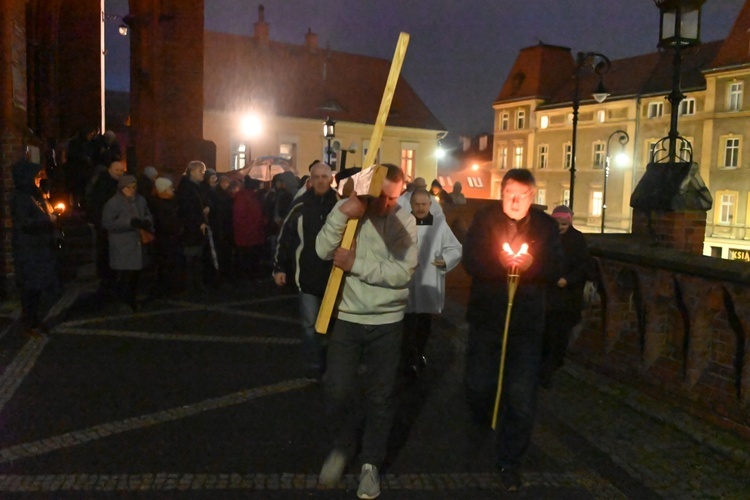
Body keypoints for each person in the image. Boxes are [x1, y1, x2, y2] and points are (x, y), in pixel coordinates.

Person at [316, 164, 418, 500]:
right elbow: (322, 249)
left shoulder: (405, 220)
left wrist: (356, 265)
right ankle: (343, 447)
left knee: (381, 396)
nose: (388, 204)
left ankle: (370, 465)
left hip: (387, 322)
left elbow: (402, 271)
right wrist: (341, 213)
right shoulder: (353, 210)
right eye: (384, 196)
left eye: (394, 196)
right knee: (337, 388)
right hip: (348, 316)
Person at [462, 168, 561, 491]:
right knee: (479, 384)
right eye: (509, 194)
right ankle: (481, 422)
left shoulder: (546, 226)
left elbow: (556, 265)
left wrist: (535, 267)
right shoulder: (484, 219)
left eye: (522, 195)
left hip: (526, 325)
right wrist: (497, 265)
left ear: (532, 196)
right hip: (487, 319)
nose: (515, 201)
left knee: (521, 395)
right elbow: (471, 260)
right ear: (501, 192)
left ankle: (510, 460)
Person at [273, 161, 338, 381]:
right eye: (316, 177)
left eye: (324, 176)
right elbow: (285, 237)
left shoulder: (340, 205)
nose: (321, 181)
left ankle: (335, 364)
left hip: (335, 276)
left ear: (331, 179)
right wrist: (279, 267)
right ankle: (314, 364)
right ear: (310, 180)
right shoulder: (300, 205)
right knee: (310, 324)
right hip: (307, 275)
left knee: (335, 326)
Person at [403, 188, 462, 376]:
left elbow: (455, 247)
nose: (420, 208)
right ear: (410, 205)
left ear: (430, 204)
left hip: (428, 280)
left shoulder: (439, 225)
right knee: (406, 322)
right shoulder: (401, 223)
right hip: (406, 280)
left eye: (424, 204)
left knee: (423, 322)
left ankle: (419, 353)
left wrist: (446, 259)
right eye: (416, 204)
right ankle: (407, 357)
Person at [540, 205, 593, 388]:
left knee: (560, 335)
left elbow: (583, 266)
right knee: (546, 335)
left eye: (564, 224)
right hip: (548, 295)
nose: (561, 227)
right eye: (558, 223)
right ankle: (544, 370)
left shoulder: (577, 240)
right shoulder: (546, 237)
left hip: (566, 298)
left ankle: (551, 367)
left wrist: (568, 280)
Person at [10, 160, 61, 335]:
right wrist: (48, 220)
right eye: (36, 177)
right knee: (30, 287)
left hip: (39, 247)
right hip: (28, 248)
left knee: (37, 286)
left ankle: (34, 319)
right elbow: (25, 222)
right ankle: (29, 322)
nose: (39, 180)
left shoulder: (35, 195)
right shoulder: (20, 197)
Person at [102, 175, 154, 311]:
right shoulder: (113, 203)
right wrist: (128, 223)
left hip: (137, 242)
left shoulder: (140, 200)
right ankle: (124, 301)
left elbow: (147, 214)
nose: (131, 190)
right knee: (125, 276)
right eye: (128, 187)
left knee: (135, 275)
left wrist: (147, 221)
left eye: (134, 187)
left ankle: (131, 299)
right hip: (122, 244)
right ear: (121, 188)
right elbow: (107, 223)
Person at [87, 160, 126, 295]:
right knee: (106, 251)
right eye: (117, 170)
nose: (120, 173)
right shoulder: (105, 185)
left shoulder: (112, 184)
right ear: (110, 169)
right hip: (107, 225)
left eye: (121, 171)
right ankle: (108, 280)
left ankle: (110, 279)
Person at [177, 161, 211, 292]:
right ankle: (191, 285)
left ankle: (196, 284)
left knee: (197, 256)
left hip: (197, 227)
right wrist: (199, 221)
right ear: (192, 172)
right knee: (191, 257)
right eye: (200, 171)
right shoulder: (187, 188)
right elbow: (187, 209)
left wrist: (206, 207)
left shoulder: (197, 186)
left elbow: (201, 202)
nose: (202, 174)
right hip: (191, 228)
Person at [151, 177, 184, 296]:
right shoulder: (159, 204)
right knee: (166, 263)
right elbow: (165, 223)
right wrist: (177, 228)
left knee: (172, 263)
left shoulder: (172, 201)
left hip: (172, 237)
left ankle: (171, 285)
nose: (173, 190)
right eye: (170, 188)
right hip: (165, 238)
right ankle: (166, 287)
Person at [233, 176, 266, 281]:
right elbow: (240, 216)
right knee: (247, 258)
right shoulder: (245, 196)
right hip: (248, 234)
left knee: (251, 258)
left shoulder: (250, 196)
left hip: (252, 233)